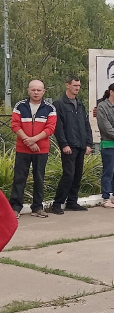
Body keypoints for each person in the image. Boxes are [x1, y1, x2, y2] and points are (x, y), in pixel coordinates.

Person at [10, 80, 57, 218]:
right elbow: (15, 125)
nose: (36, 92)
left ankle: (37, 207)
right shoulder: (20, 106)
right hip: (23, 149)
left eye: (39, 90)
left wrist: (34, 140)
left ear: (44, 91)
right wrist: (28, 141)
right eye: (33, 90)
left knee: (39, 178)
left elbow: (50, 128)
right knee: (19, 178)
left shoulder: (50, 108)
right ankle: (15, 208)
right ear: (28, 90)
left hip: (41, 150)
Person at [52, 75, 93, 214]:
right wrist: (64, 144)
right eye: (75, 85)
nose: (77, 88)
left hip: (81, 144)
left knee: (77, 175)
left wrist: (88, 143)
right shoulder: (59, 104)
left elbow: (86, 125)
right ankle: (57, 203)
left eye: (79, 86)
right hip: (69, 145)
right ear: (67, 85)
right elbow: (58, 127)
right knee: (68, 174)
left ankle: (72, 202)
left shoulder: (80, 104)